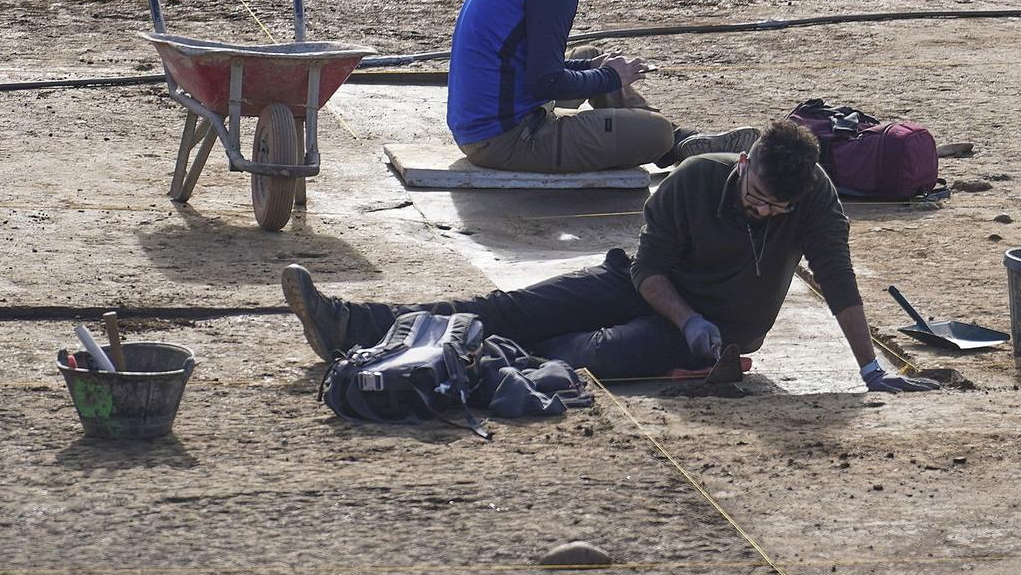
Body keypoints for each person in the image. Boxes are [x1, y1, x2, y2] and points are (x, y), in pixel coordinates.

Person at [283, 120, 940, 394]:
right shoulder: (696, 180)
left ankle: (455, 358)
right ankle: (352, 324)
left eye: (777, 210)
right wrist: (685, 318)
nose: (763, 212)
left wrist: (870, 369)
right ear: (743, 165)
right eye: (758, 197)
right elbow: (650, 272)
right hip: (649, 290)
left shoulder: (815, 200)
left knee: (593, 353)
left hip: (718, 340)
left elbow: (840, 282)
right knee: (511, 307)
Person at [447, 0, 756, 172]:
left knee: (589, 56)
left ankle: (681, 141)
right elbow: (545, 83)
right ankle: (672, 141)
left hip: (483, 120)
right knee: (656, 133)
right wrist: (609, 77)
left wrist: (595, 70)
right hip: (503, 139)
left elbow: (530, 66)